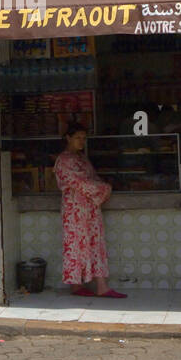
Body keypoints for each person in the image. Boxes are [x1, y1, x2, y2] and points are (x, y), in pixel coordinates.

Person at [54, 122, 124, 298]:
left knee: (95, 244)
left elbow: (92, 177)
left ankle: (100, 286)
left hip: (90, 207)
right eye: (77, 137)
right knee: (76, 245)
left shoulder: (82, 158)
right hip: (74, 209)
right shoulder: (63, 160)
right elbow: (79, 183)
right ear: (68, 138)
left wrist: (101, 185)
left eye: (84, 138)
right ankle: (77, 285)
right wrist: (105, 189)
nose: (81, 141)